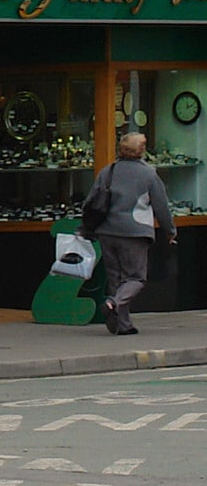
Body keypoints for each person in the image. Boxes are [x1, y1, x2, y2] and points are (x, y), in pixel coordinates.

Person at [86, 131, 177, 336]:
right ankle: (113, 303)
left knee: (116, 279)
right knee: (136, 278)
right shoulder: (149, 174)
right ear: (142, 150)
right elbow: (161, 206)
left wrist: (87, 228)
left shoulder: (108, 171)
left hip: (107, 232)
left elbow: (91, 201)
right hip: (134, 232)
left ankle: (123, 324)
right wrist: (169, 231)